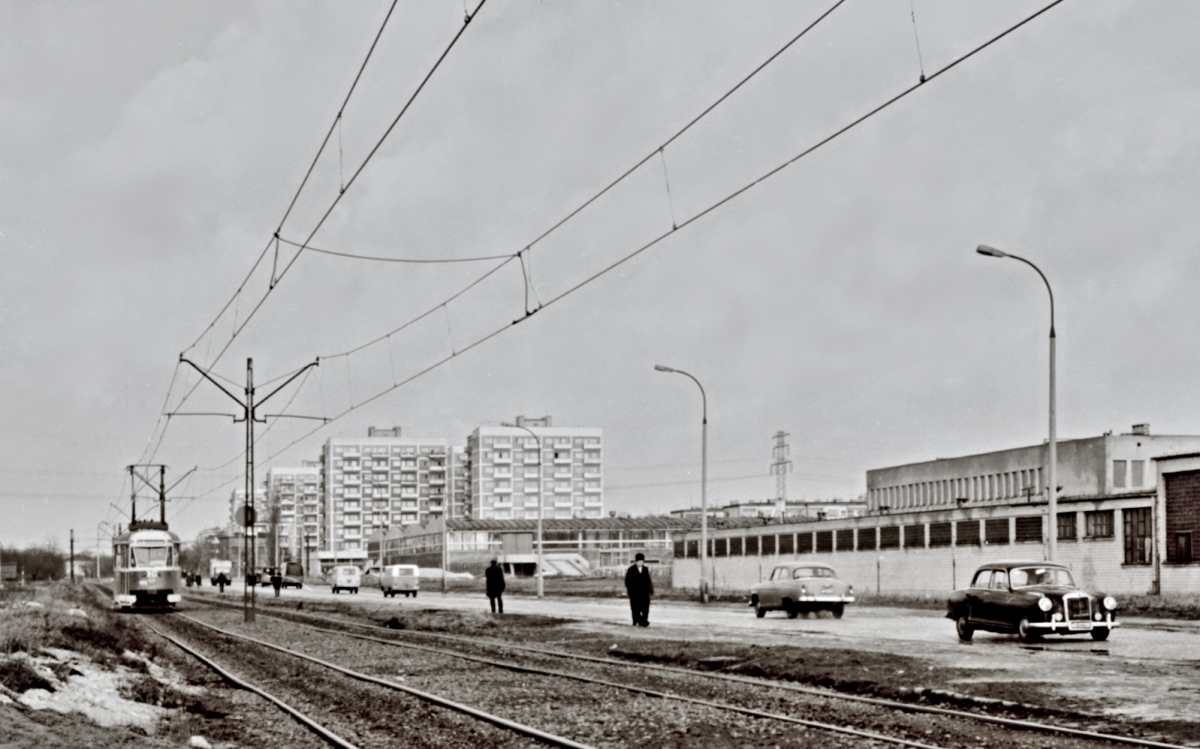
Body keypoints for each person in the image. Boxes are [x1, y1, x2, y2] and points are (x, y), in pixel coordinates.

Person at [625, 552, 653, 627]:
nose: (641, 562)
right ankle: (637, 620)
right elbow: (627, 581)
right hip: (635, 593)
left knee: (645, 608)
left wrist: (651, 589)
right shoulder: (631, 570)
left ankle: (644, 621)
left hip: (644, 592)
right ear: (636, 561)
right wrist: (630, 591)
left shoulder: (645, 569)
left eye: (642, 561)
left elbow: (648, 580)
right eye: (639, 561)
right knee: (635, 608)